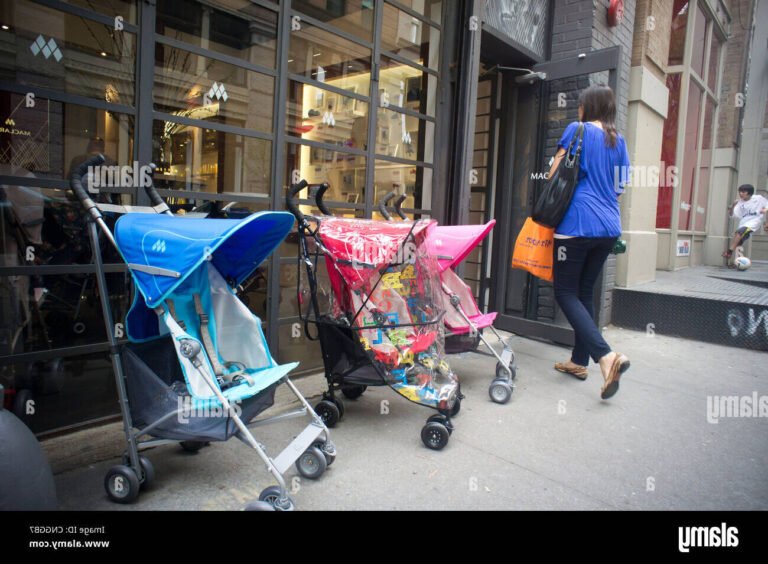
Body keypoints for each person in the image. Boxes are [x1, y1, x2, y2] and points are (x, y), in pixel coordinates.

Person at [546, 84, 631, 400]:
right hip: (608, 228)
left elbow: (554, 174)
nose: (578, 109)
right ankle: (579, 362)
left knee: (565, 291)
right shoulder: (618, 141)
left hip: (576, 224)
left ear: (587, 107)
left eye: (580, 105)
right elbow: (620, 188)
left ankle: (606, 356)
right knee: (584, 292)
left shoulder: (577, 130)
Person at [722, 184, 768, 263]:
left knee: (740, 232)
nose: (741, 194)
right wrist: (733, 206)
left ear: (749, 193)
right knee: (739, 241)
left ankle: (729, 251)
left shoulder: (758, 198)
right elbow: (732, 215)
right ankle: (738, 262)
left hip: (755, 222)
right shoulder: (739, 203)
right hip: (744, 222)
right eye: (740, 192)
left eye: (743, 192)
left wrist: (765, 210)